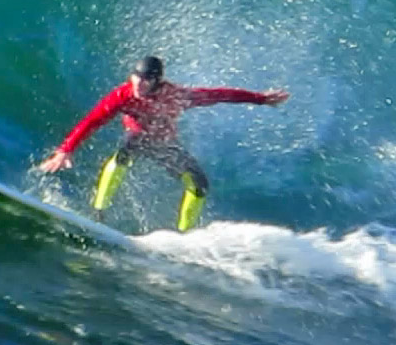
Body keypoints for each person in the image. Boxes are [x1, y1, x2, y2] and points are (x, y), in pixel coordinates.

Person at [39, 56, 289, 231]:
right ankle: (98, 213)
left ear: (157, 81)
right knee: (132, 143)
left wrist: (260, 99)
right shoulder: (121, 96)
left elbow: (220, 95)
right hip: (136, 137)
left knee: (199, 184)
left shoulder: (176, 96)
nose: (139, 86)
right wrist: (65, 150)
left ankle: (185, 236)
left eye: (146, 81)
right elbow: (92, 121)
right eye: (136, 80)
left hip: (165, 144)